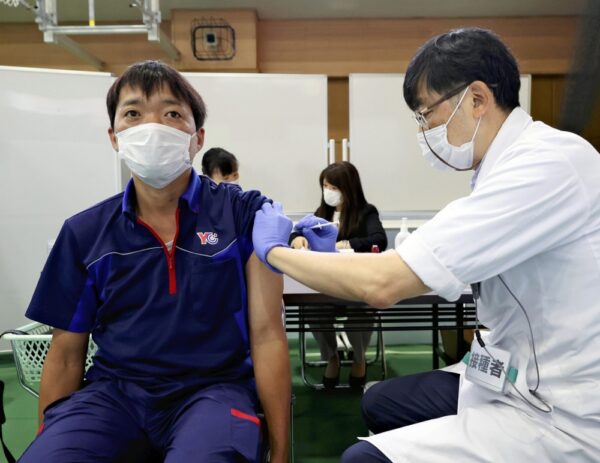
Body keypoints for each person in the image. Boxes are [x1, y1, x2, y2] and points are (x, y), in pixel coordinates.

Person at [252, 27, 600, 462]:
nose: (423, 130)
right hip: (505, 374)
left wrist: (274, 252)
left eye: (425, 114)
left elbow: (385, 283)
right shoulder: (501, 170)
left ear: (476, 99)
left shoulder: (549, 164)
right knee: (378, 403)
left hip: (559, 409)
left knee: (360, 460)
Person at [20, 60, 290, 463]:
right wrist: (52, 438)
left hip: (214, 390)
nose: (152, 127)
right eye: (133, 113)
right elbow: (66, 352)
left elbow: (268, 335)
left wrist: (281, 453)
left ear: (197, 138)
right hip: (115, 393)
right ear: (114, 137)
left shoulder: (240, 215)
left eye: (172, 114)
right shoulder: (84, 232)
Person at [289, 161, 387, 389]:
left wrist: (347, 243)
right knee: (313, 310)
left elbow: (379, 240)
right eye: (325, 186)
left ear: (348, 188)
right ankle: (332, 357)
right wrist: (296, 239)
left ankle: (359, 358)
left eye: (334, 187)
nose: (328, 192)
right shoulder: (322, 212)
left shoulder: (366, 212)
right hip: (326, 287)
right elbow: (298, 230)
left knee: (361, 310)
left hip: (356, 287)